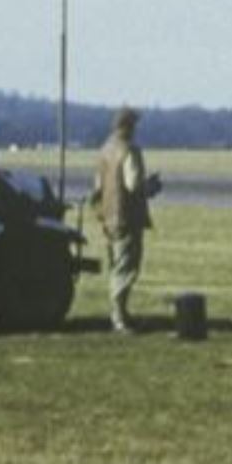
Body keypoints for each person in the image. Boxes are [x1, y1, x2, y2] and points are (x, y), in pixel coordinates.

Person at [90, 107, 162, 333]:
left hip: (108, 216)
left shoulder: (104, 150)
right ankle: (119, 318)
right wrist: (151, 186)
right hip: (127, 217)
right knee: (126, 268)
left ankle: (120, 313)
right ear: (129, 126)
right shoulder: (129, 150)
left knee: (116, 265)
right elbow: (134, 186)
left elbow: (98, 187)